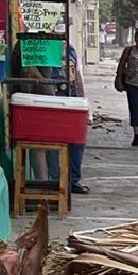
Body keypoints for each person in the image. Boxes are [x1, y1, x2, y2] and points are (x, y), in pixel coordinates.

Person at [49, 41, 89, 194]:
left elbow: (77, 76)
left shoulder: (71, 49)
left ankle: (74, 179)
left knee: (77, 141)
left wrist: (84, 103)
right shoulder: (46, 49)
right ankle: (55, 179)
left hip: (73, 99)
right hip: (53, 99)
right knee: (53, 142)